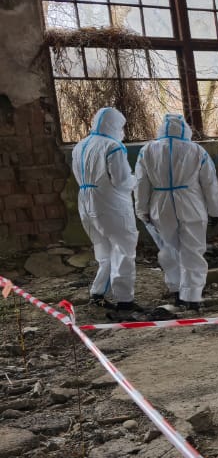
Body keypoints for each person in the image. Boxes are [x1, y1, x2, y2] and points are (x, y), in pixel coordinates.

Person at [134, 113, 218, 310]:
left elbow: (141, 183)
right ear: (186, 129)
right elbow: (209, 183)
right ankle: (193, 296)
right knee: (193, 250)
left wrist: (141, 209)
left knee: (169, 249)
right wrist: (215, 211)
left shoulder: (147, 150)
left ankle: (176, 292)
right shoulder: (196, 150)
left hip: (160, 204)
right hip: (191, 203)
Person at [72, 107, 138, 311]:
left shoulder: (80, 146)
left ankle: (98, 293)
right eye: (121, 127)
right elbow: (122, 180)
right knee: (123, 249)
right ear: (114, 125)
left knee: (103, 250)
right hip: (110, 204)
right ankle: (125, 300)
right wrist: (138, 179)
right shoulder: (113, 146)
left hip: (85, 202)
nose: (122, 131)